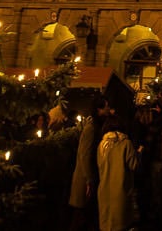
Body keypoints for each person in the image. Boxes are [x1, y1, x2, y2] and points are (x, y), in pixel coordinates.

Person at [69, 95, 113, 231]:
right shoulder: (91, 128)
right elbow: (84, 154)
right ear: (99, 109)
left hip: (91, 175)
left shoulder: (97, 125)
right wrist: (89, 179)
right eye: (106, 107)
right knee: (81, 215)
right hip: (85, 178)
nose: (109, 109)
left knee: (87, 215)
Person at [97, 114, 142, 231]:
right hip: (121, 191)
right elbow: (134, 165)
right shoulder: (125, 143)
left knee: (107, 225)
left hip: (104, 191)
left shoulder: (102, 145)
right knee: (121, 225)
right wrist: (139, 153)